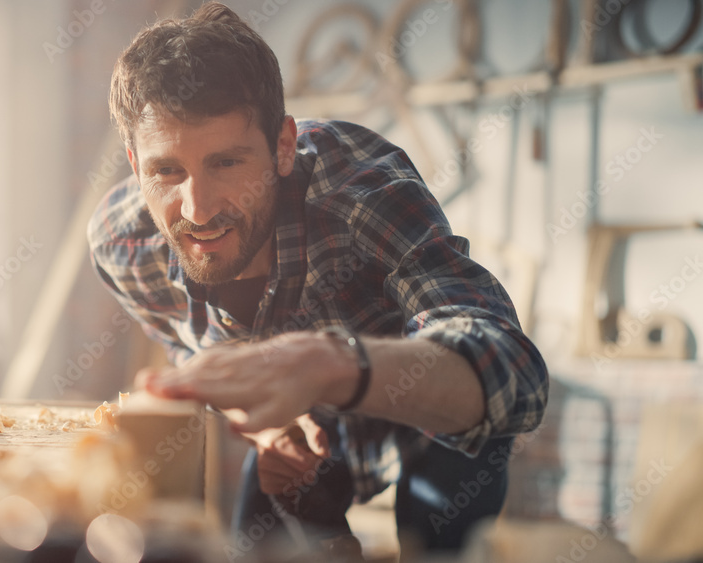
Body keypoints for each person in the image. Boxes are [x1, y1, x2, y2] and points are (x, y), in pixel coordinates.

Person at [88, 2, 548, 558]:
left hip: (427, 411)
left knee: (440, 530)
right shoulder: (124, 249)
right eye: (167, 171)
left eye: (227, 163)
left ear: (283, 146)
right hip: (304, 425)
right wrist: (266, 430)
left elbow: (515, 376)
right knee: (258, 539)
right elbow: (192, 350)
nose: (199, 210)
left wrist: (328, 365)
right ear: (136, 167)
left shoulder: (361, 192)